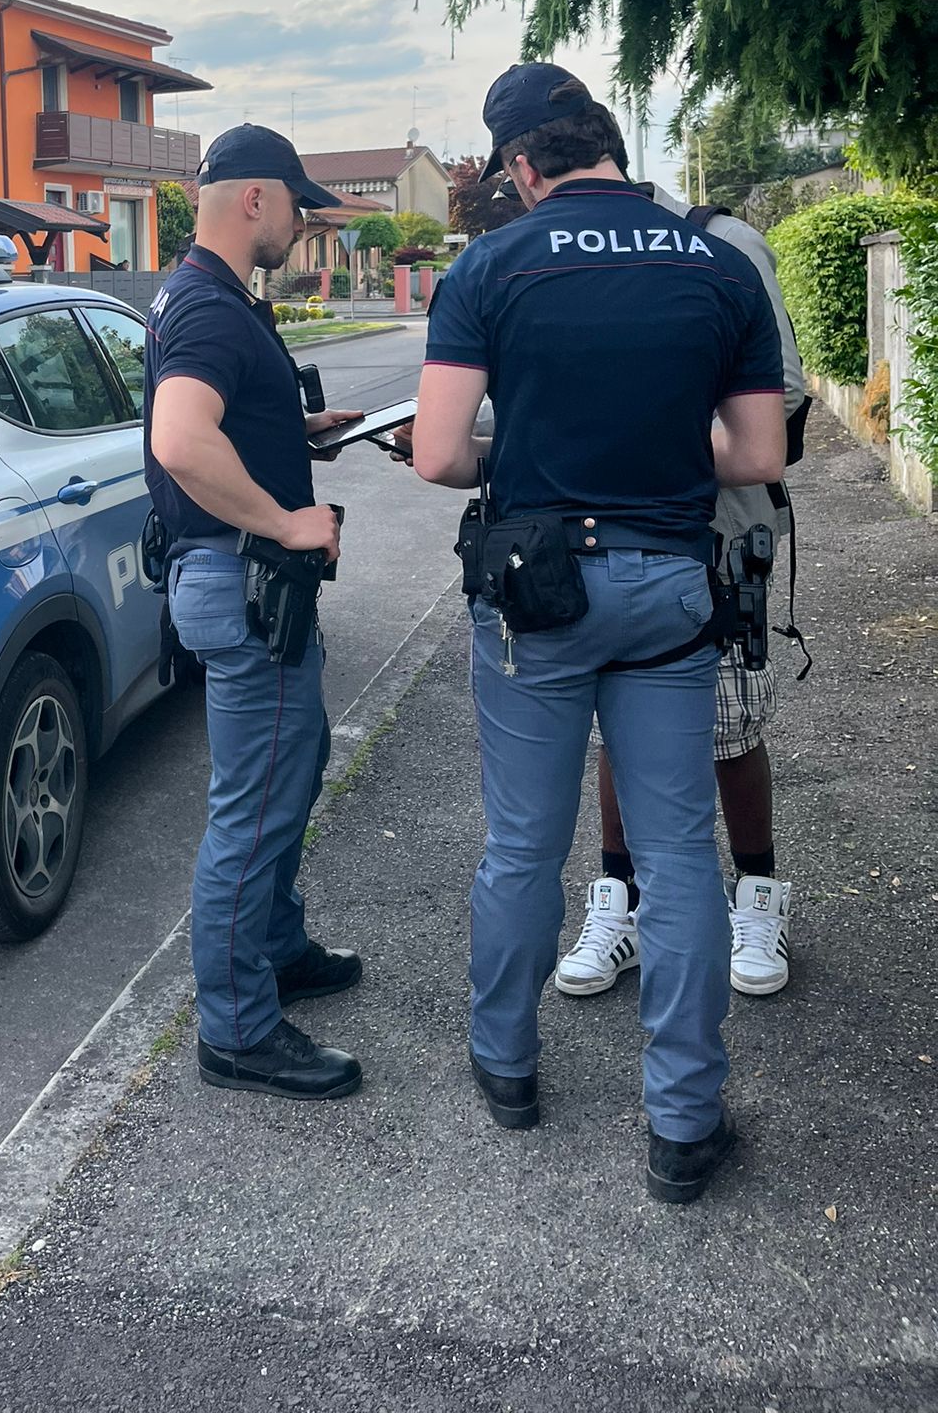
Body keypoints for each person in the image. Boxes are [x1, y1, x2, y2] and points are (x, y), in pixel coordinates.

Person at [411, 65, 785, 1203]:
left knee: (524, 846)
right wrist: (666, 451)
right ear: (610, 142)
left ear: (523, 164)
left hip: (537, 595)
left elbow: (439, 456)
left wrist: (515, 451)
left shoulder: (490, 267)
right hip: (670, 583)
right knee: (676, 855)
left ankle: (507, 1065)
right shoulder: (717, 264)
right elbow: (758, 453)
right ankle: (683, 1122)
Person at [144, 124, 366, 1101]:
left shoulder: (209, 296)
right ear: (253, 198)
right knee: (252, 809)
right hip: (243, 581)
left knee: (292, 767)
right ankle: (236, 1030)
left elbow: (221, 421)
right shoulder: (209, 306)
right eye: (295, 203)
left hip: (244, 583)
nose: (301, 221)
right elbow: (180, 440)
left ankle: (275, 946)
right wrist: (285, 519)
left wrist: (295, 431)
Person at [557, 183, 805, 1002]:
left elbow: (784, 397)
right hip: (613, 533)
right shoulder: (585, 257)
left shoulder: (728, 244)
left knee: (731, 726)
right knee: (617, 727)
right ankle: (619, 904)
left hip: (720, 534)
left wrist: (644, 439)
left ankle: (757, 898)